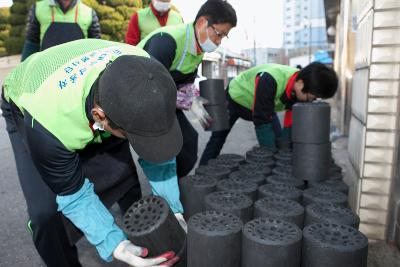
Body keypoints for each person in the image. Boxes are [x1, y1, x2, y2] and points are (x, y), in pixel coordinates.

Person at [1, 39, 183, 267]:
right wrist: (114, 242)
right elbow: (73, 193)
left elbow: (158, 150)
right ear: (100, 117)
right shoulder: (48, 125)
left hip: (92, 97)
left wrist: (172, 211)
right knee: (45, 214)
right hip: (27, 101)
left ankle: (143, 236)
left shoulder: (146, 73)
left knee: (122, 175)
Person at [137, 0, 237, 180]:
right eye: (219, 34)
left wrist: (194, 99)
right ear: (201, 23)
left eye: (224, 37)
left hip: (164, 102)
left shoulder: (198, 49)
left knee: (188, 143)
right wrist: (184, 102)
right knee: (163, 148)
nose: (219, 42)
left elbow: (186, 80)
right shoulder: (166, 41)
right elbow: (148, 85)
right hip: (141, 99)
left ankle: (173, 182)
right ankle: (162, 187)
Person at [199, 62, 339, 165]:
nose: (312, 100)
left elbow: (289, 123)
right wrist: (270, 161)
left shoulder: (298, 85)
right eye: (312, 97)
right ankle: (203, 171)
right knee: (218, 137)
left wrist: (286, 152)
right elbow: (262, 122)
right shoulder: (271, 79)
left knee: (279, 143)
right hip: (236, 97)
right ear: (301, 84)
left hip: (264, 106)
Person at [20, 0, 101, 61]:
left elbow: (95, 47)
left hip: (77, 74)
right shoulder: (38, 8)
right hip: (45, 71)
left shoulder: (89, 12)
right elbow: (32, 43)